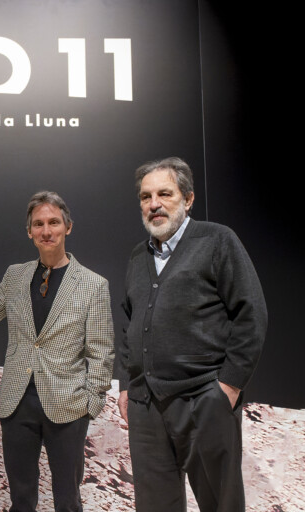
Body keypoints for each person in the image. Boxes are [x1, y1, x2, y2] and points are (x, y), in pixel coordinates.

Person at [117, 157, 267, 511]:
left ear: (188, 198)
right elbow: (130, 323)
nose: (154, 204)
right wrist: (127, 384)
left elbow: (251, 313)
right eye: (145, 196)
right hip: (147, 406)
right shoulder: (138, 256)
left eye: (164, 194)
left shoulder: (217, 241)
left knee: (220, 504)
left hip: (204, 400)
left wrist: (228, 386)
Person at [0, 191, 114, 512]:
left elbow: (102, 351)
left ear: (68, 226)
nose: (46, 230)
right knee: (21, 500)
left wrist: (90, 404)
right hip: (17, 404)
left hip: (68, 407)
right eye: (39, 224)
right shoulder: (15, 275)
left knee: (67, 501)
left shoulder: (93, 284)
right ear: (30, 232)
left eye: (53, 222)